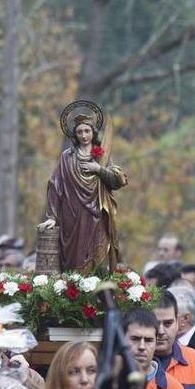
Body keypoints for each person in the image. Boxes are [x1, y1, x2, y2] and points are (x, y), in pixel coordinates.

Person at [38, 101, 129, 273]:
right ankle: (74, 289)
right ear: (75, 134)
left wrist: (99, 169)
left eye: (87, 131)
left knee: (98, 256)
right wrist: (52, 216)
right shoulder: (67, 157)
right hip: (71, 214)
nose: (84, 135)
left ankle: (99, 291)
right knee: (73, 257)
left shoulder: (102, 155)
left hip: (96, 214)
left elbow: (118, 181)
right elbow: (55, 185)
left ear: (93, 132)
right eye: (79, 132)